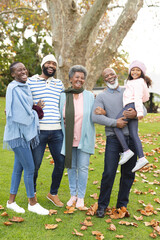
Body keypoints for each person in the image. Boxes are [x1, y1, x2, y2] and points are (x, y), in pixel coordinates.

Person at [92, 67, 146, 218]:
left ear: (116, 75)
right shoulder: (101, 97)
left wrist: (136, 113)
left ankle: (122, 205)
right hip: (113, 139)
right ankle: (102, 206)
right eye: (106, 75)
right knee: (109, 173)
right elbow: (95, 117)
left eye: (112, 73)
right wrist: (115, 122)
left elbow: (144, 109)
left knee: (128, 174)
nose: (110, 76)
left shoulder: (127, 89)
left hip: (131, 139)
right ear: (104, 79)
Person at [3, 62, 49, 215]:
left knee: (18, 169)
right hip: (17, 135)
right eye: (18, 70)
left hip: (23, 134)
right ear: (13, 74)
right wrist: (37, 112)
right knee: (30, 168)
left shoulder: (26, 87)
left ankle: (11, 202)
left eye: (24, 68)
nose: (23, 71)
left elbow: (27, 108)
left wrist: (35, 108)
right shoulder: (13, 88)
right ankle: (32, 203)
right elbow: (20, 114)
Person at [27, 54, 65, 207]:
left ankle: (53, 193)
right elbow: (24, 102)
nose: (51, 66)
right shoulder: (31, 82)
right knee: (35, 164)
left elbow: (63, 104)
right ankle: (33, 193)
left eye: (54, 64)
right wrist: (36, 106)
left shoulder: (59, 84)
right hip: (38, 131)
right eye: (48, 63)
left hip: (57, 130)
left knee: (61, 162)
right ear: (43, 65)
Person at [60, 65, 95, 208]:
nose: (80, 80)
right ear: (70, 79)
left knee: (83, 168)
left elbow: (96, 114)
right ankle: (72, 195)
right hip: (68, 139)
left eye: (82, 78)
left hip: (84, 138)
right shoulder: (63, 95)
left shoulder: (89, 96)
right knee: (71, 167)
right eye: (77, 77)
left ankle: (81, 197)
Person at [114, 60, 152, 172]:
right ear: (130, 71)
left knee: (116, 124)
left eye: (138, 70)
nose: (135, 72)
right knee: (134, 134)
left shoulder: (138, 82)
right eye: (133, 70)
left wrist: (139, 112)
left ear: (142, 72)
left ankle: (126, 150)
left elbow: (139, 97)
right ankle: (141, 157)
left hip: (131, 105)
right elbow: (147, 97)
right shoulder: (138, 82)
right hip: (133, 105)